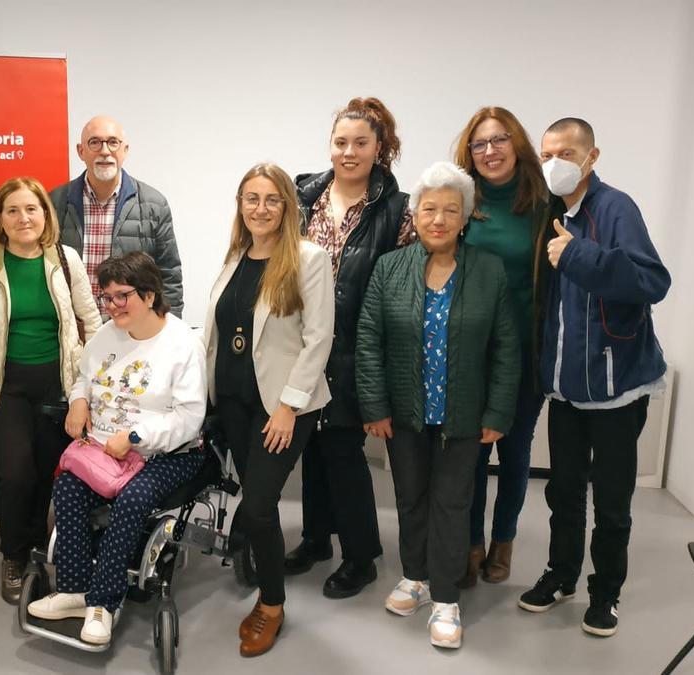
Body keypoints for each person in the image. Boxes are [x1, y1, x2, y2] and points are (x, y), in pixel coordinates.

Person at [356, 161, 519, 649]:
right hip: (405, 413)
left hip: (464, 415)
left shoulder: (488, 271)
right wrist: (374, 404)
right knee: (409, 496)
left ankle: (446, 598)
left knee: (452, 502)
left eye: (452, 210)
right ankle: (416, 576)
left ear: (466, 217)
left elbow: (506, 348)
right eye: (430, 209)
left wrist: (497, 413)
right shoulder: (390, 267)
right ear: (416, 213)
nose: (439, 219)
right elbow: (369, 339)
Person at [518, 118, 670, 638]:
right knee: (563, 492)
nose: (554, 162)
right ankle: (561, 576)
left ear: (592, 156)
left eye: (565, 152)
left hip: (616, 391)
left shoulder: (615, 208)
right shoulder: (549, 212)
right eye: (546, 154)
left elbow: (652, 280)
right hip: (564, 389)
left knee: (611, 499)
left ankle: (606, 593)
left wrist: (580, 255)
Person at [27, 252, 206, 645]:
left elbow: (189, 418)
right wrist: (77, 401)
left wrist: (136, 437)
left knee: (132, 500)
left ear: (150, 293)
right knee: (69, 489)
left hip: (167, 454)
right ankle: (74, 590)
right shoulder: (106, 335)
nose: (112, 306)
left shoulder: (182, 344)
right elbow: (83, 380)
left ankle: (103, 604)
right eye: (106, 297)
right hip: (106, 452)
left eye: (121, 296)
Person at [205, 163, 333, 658]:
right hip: (235, 401)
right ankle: (260, 561)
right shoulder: (237, 254)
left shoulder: (308, 258)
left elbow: (318, 338)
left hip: (283, 407)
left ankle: (272, 604)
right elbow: (222, 330)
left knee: (258, 504)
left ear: (286, 207)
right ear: (241, 205)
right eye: (251, 198)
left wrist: (288, 408)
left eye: (271, 200)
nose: (260, 208)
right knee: (257, 504)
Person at [0, 176, 102, 604]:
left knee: (46, 473)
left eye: (32, 209)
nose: (24, 218)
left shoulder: (65, 258)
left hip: (60, 386)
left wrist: (95, 387)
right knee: (16, 472)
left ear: (45, 215)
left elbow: (90, 321)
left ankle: (39, 547)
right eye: (13, 210)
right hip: (6, 387)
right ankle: (14, 556)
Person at [285, 96, 409, 598]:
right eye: (341, 142)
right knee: (310, 446)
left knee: (342, 450)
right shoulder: (300, 197)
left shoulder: (397, 210)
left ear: (380, 148)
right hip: (302, 344)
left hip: (358, 348)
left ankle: (361, 555)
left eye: (361, 143)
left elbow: (400, 287)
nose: (349, 152)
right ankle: (316, 537)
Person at [452, 107, 559, 586]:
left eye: (499, 140)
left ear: (517, 144)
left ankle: (504, 541)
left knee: (515, 456)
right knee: (471, 455)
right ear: (469, 154)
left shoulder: (544, 204)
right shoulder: (462, 202)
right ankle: (471, 541)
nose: (490, 151)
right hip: (471, 354)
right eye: (479, 144)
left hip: (525, 352)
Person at [49, 115, 183, 317]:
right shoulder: (54, 202)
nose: (104, 151)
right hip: (73, 329)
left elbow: (169, 275)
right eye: (95, 142)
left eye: (113, 142)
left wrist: (169, 332)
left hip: (131, 329)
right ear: (81, 151)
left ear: (125, 150)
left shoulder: (153, 205)